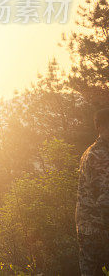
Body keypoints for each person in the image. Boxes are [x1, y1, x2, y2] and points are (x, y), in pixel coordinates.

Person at [76, 107, 109, 275]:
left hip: (87, 228)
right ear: (100, 127)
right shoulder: (99, 155)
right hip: (99, 229)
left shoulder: (91, 151)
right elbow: (103, 198)